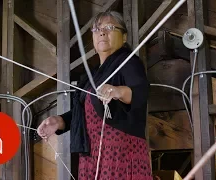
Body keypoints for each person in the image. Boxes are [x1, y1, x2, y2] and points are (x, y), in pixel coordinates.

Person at [37, 11, 152, 180]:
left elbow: (141, 92)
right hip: (92, 153)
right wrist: (60, 121)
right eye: (97, 29)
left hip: (119, 151)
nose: (102, 32)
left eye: (109, 27)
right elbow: (83, 113)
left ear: (124, 37)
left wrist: (118, 91)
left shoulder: (128, 62)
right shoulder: (91, 75)